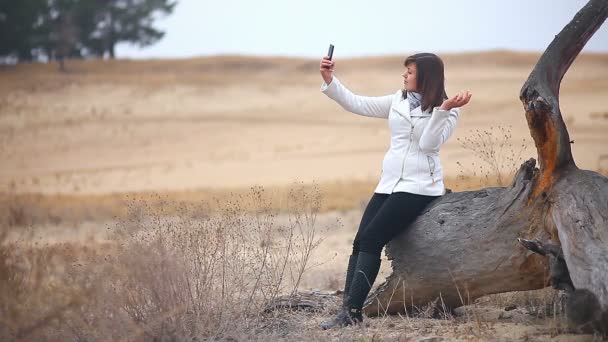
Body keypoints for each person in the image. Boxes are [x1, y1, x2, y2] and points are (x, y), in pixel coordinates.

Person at [318, 53, 472, 329]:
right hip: (389, 184)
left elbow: (428, 144)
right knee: (359, 240)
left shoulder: (448, 110)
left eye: (410, 72)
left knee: (373, 238)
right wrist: (330, 81)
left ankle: (353, 312)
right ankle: (346, 311)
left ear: (425, 76)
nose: (404, 76)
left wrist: (443, 110)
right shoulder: (397, 101)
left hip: (419, 187)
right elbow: (358, 103)